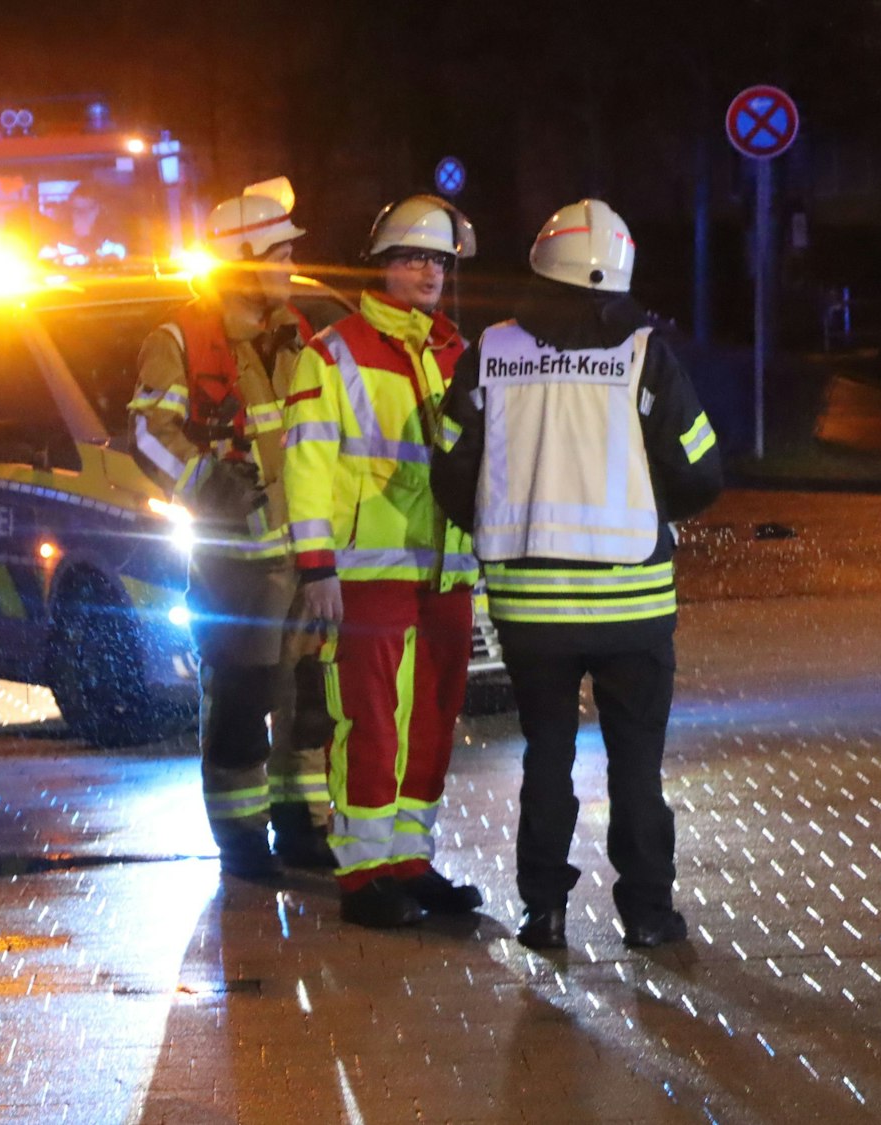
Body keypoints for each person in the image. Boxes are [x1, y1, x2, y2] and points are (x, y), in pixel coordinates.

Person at [431, 199, 724, 951]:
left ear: (540, 264)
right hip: (633, 605)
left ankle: (544, 912)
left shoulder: (492, 351)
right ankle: (649, 916)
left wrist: (497, 525)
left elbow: (451, 465)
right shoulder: (644, 353)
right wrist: (659, 509)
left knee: (548, 759)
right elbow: (701, 468)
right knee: (636, 767)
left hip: (531, 609)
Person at [281, 195, 485, 928]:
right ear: (383, 265)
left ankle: (409, 858)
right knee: (371, 718)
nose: (428, 271)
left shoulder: (455, 354)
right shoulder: (333, 352)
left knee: (433, 715)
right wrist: (317, 565)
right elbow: (306, 464)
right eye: (413, 257)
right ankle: (364, 872)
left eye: (438, 260)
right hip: (367, 569)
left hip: (446, 569)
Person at [126, 177, 329, 876]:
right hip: (235, 560)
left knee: (306, 698)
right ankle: (242, 841)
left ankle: (302, 825)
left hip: (301, 553)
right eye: (276, 255)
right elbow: (150, 439)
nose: (286, 268)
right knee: (240, 699)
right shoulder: (180, 338)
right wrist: (210, 483)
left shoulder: (293, 331)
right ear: (242, 260)